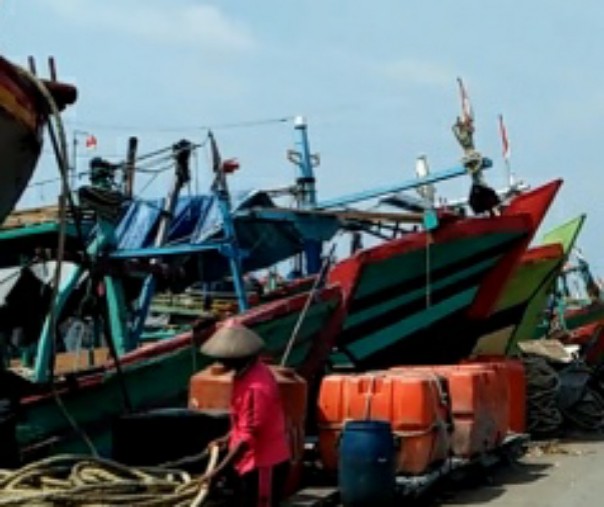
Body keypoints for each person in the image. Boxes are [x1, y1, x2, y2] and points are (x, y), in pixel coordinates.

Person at [199, 321, 291, 507]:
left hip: (264, 461)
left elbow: (249, 436)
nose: (221, 361)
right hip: (248, 461)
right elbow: (242, 420)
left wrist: (218, 471)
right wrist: (227, 437)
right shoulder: (246, 374)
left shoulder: (256, 386)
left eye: (225, 357)